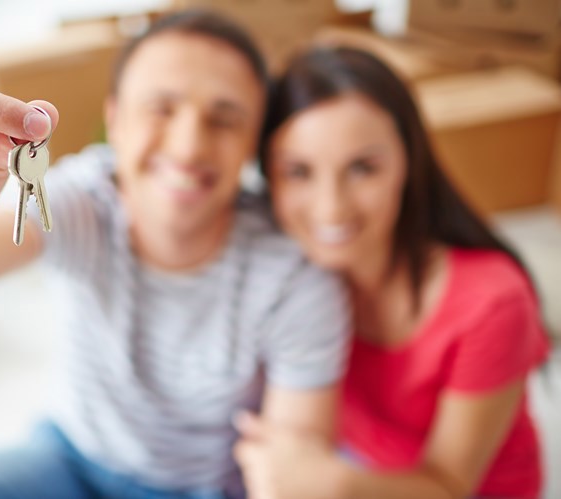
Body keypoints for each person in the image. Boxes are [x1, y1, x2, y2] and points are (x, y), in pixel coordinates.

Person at [0, 11, 350, 499]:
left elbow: (289, 472)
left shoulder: (295, 278)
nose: (189, 146)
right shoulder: (85, 198)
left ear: (253, 143)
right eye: (160, 108)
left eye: (224, 119)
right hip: (69, 461)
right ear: (114, 120)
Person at [234, 46, 551, 499]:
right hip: (361, 465)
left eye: (363, 168)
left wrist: (333, 483)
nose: (332, 207)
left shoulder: (491, 304)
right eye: (298, 172)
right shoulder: (287, 277)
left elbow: (450, 484)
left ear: (409, 161)